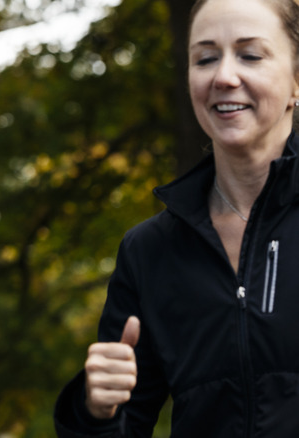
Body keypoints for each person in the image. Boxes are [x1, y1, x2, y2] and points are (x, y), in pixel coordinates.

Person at [54, 0, 299, 436]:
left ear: (297, 79)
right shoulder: (149, 250)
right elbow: (125, 424)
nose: (224, 76)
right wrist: (95, 410)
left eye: (250, 55)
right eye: (205, 58)